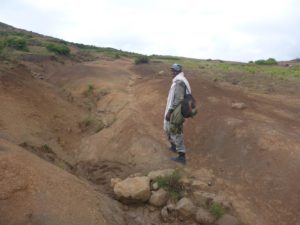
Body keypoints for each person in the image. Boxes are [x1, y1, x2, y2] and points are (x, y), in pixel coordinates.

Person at [164, 63, 191, 165]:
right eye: (172, 70)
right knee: (168, 128)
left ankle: (181, 156)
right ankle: (174, 146)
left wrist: (170, 112)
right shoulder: (178, 80)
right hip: (176, 110)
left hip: (177, 111)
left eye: (174, 70)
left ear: (178, 71)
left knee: (176, 131)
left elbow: (178, 99)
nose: (172, 72)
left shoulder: (180, 82)